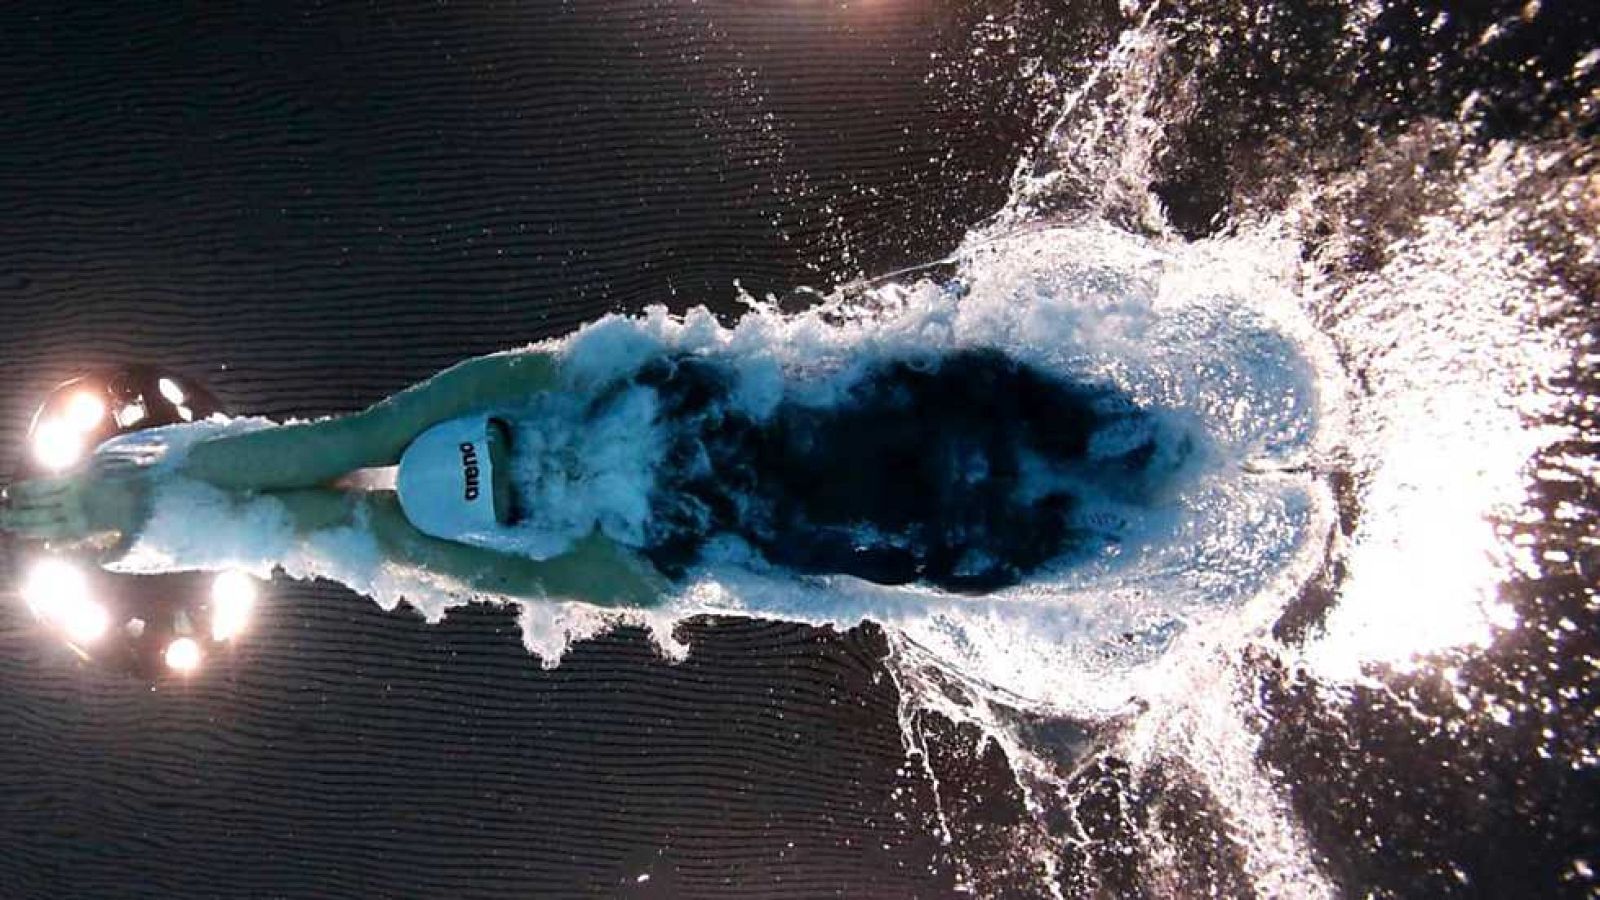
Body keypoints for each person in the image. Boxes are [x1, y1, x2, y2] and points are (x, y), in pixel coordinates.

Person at [1, 346, 1177, 607]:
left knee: (940, 426)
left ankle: (1139, 456)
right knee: (940, 546)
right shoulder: (424, 535)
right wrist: (142, 512)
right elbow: (315, 509)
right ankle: (1136, 491)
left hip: (694, 445)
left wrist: (143, 494)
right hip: (697, 504)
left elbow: (325, 457)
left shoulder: (479, 419)